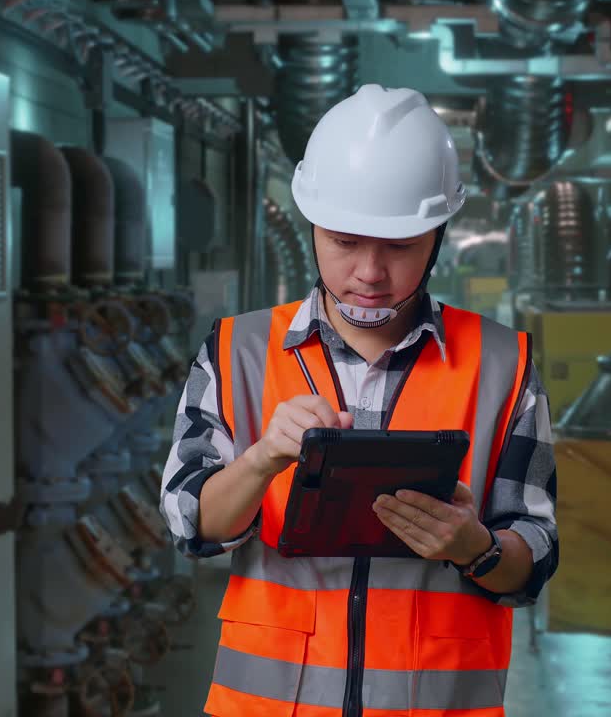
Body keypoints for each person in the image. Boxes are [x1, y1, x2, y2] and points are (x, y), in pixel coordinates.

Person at [159, 83, 558, 717]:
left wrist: (474, 547)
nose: (370, 273)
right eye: (345, 242)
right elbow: (193, 525)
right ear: (312, 226)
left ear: (437, 238)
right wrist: (261, 459)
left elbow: (532, 559)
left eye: (398, 246)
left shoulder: (503, 363)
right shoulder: (239, 350)